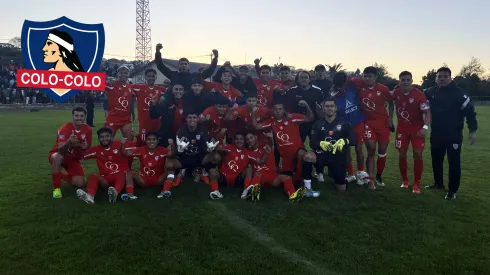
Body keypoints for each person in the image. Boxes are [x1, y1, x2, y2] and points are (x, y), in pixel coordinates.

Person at [424, 67, 477, 200]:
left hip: (453, 134)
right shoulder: (431, 91)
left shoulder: (458, 93)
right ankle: (438, 183)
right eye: (439, 76)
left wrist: (472, 130)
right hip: (436, 133)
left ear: (450, 78)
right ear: (436, 78)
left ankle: (452, 190)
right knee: (436, 160)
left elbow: (470, 112)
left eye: (445, 76)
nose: (442, 79)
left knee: (454, 162)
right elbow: (417, 96)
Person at [251, 99, 315, 190]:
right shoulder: (271, 121)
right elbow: (256, 126)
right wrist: (253, 113)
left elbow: (310, 118)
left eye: (280, 109)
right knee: (285, 179)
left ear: (284, 109)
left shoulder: (292, 117)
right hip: (286, 157)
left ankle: (302, 182)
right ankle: (296, 180)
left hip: (298, 150)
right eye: (275, 109)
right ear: (272, 110)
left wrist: (306, 105)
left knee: (301, 154)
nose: (278, 111)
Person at [159, 111, 223, 199]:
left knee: (216, 157)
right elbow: (177, 150)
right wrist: (179, 149)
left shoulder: (202, 129)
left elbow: (207, 143)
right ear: (186, 119)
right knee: (169, 164)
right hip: (185, 159)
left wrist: (209, 148)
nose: (192, 120)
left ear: (197, 119)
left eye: (194, 117)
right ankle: (181, 172)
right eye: (189, 117)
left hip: (199, 159)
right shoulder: (182, 129)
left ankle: (202, 170)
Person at [349, 66, 394, 189]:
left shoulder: (383, 89)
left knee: (382, 151)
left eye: (370, 76)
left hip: (383, 124)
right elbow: (345, 79)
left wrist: (390, 117)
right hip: (368, 123)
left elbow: (391, 103)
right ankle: (370, 180)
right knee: (371, 149)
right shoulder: (359, 83)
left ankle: (379, 175)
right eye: (365, 76)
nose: (367, 78)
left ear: (376, 77)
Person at [302, 98, 356, 193]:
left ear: (336, 108)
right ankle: (307, 187)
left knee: (341, 190)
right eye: (327, 106)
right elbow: (312, 143)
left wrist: (345, 141)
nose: (329, 108)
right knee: (308, 156)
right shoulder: (317, 124)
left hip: (338, 156)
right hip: (322, 154)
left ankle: (340, 179)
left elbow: (354, 140)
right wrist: (320, 143)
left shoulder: (344, 123)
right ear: (323, 108)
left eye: (332, 106)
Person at [391, 71, 431, 194]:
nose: (405, 82)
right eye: (403, 80)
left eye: (408, 80)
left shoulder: (419, 95)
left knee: (417, 154)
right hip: (402, 129)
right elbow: (389, 103)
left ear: (412, 81)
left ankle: (417, 184)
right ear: (399, 81)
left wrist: (425, 127)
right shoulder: (396, 93)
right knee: (402, 155)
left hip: (416, 129)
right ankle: (405, 181)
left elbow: (428, 113)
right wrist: (389, 117)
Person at [76, 127, 133, 204]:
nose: (104, 139)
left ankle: (115, 193)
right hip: (106, 179)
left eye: (107, 136)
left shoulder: (120, 144)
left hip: (121, 176)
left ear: (111, 137)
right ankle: (90, 196)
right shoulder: (96, 149)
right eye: (102, 137)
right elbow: (81, 157)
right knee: (94, 176)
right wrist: (81, 148)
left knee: (122, 173)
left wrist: (136, 137)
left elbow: (136, 150)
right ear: (99, 139)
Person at [244, 132, 306, 202]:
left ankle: (293, 196)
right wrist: (267, 154)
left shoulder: (265, 146)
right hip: (260, 178)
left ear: (255, 137)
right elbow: (260, 161)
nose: (249, 141)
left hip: (272, 176)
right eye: (247, 139)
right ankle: (253, 194)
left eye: (251, 138)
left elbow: (271, 144)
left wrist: (270, 138)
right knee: (258, 173)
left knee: (287, 177)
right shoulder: (248, 152)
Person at [329, 72, 368, 184]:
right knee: (346, 150)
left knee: (359, 148)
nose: (341, 88)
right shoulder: (333, 95)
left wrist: (351, 78)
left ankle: (361, 173)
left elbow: (362, 81)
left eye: (343, 85)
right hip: (345, 126)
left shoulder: (352, 86)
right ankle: (350, 174)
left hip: (358, 123)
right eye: (338, 86)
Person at [49, 107, 92, 199]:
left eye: (81, 116)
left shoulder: (88, 129)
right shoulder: (64, 128)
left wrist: (81, 147)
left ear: (85, 117)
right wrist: (69, 142)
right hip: (59, 154)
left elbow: (87, 147)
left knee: (81, 183)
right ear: (72, 116)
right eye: (76, 115)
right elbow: (61, 150)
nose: (79, 118)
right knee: (58, 157)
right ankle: (56, 189)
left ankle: (57, 174)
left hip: (73, 158)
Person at [121, 132, 170, 199]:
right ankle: (130, 194)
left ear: (158, 141)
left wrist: (172, 145)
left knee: (171, 172)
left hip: (158, 179)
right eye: (149, 139)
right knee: (129, 173)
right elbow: (126, 153)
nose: (151, 141)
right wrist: (122, 144)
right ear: (146, 141)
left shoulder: (163, 150)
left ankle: (164, 191)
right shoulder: (141, 149)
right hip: (143, 180)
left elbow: (172, 153)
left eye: (154, 139)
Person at [154, 43, 218, 91]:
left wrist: (215, 58)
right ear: (178, 66)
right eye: (181, 64)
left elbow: (209, 71)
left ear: (188, 66)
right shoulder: (173, 75)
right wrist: (157, 52)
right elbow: (160, 66)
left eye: (185, 64)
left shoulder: (194, 76)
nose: (183, 65)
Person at [132, 69, 166, 144]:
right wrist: (116, 81)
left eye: (153, 76)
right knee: (143, 141)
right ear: (145, 77)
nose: (151, 78)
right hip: (144, 122)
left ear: (155, 77)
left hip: (156, 122)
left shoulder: (161, 89)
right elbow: (125, 87)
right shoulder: (138, 88)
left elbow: (172, 92)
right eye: (149, 76)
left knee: (156, 142)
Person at [149, 83, 185, 147]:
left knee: (179, 153)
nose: (178, 91)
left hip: (180, 132)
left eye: (180, 89)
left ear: (183, 91)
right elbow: (153, 115)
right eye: (176, 89)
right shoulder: (166, 101)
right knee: (160, 150)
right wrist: (153, 105)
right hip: (166, 131)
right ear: (172, 90)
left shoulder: (186, 102)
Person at [104, 66, 133, 137]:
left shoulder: (131, 87)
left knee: (129, 141)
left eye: (125, 73)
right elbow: (93, 81)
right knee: (107, 140)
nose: (123, 74)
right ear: (117, 74)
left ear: (128, 75)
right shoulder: (111, 84)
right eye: (121, 73)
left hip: (126, 119)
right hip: (113, 118)